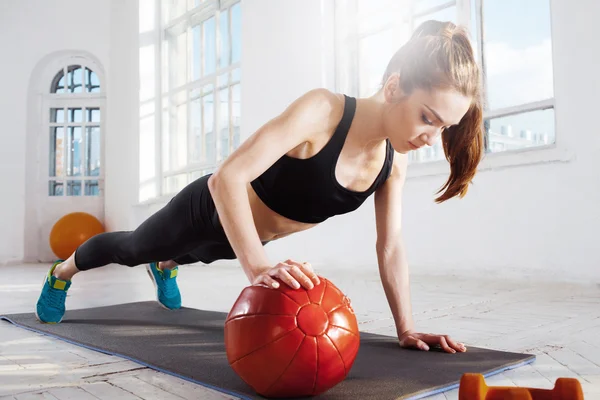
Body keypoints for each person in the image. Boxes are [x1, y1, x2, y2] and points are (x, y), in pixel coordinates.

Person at [35, 20, 483, 354]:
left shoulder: (392, 161)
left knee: (195, 254)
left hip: (245, 238)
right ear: (393, 86)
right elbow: (225, 178)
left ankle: (169, 265)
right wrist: (257, 269)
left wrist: (406, 327)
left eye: (442, 128)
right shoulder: (323, 111)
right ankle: (61, 274)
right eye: (428, 117)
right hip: (209, 209)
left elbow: (390, 246)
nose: (430, 138)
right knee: (135, 249)